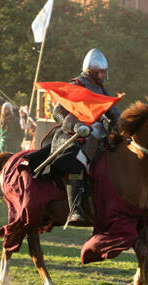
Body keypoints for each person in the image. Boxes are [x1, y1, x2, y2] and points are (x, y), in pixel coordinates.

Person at [50, 48, 121, 225]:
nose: (104, 75)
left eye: (105, 72)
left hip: (97, 135)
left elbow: (114, 114)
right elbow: (57, 112)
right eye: (101, 72)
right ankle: (75, 209)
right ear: (91, 71)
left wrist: (118, 128)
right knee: (76, 163)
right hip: (73, 135)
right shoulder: (75, 86)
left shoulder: (101, 89)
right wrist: (76, 126)